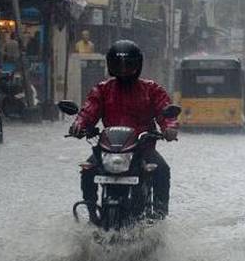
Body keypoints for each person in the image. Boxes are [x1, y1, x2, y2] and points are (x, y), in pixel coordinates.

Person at [70, 40, 179, 220]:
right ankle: (91, 213)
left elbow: (165, 112)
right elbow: (88, 110)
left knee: (162, 170)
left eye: (128, 65)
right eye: (117, 65)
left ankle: (159, 217)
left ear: (137, 65)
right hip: (108, 148)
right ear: (110, 66)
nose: (123, 70)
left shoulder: (151, 89)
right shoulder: (102, 89)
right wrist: (79, 125)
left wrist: (169, 128)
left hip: (142, 149)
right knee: (87, 170)